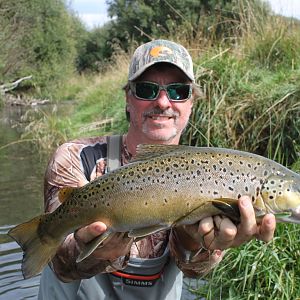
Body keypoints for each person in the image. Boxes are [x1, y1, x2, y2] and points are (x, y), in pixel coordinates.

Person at [38, 39, 276, 300]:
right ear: (128, 98)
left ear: (191, 103)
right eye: (147, 89)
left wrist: (196, 242)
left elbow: (195, 272)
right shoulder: (78, 157)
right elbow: (58, 261)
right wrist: (92, 250)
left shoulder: (208, 176)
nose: (163, 102)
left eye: (177, 92)